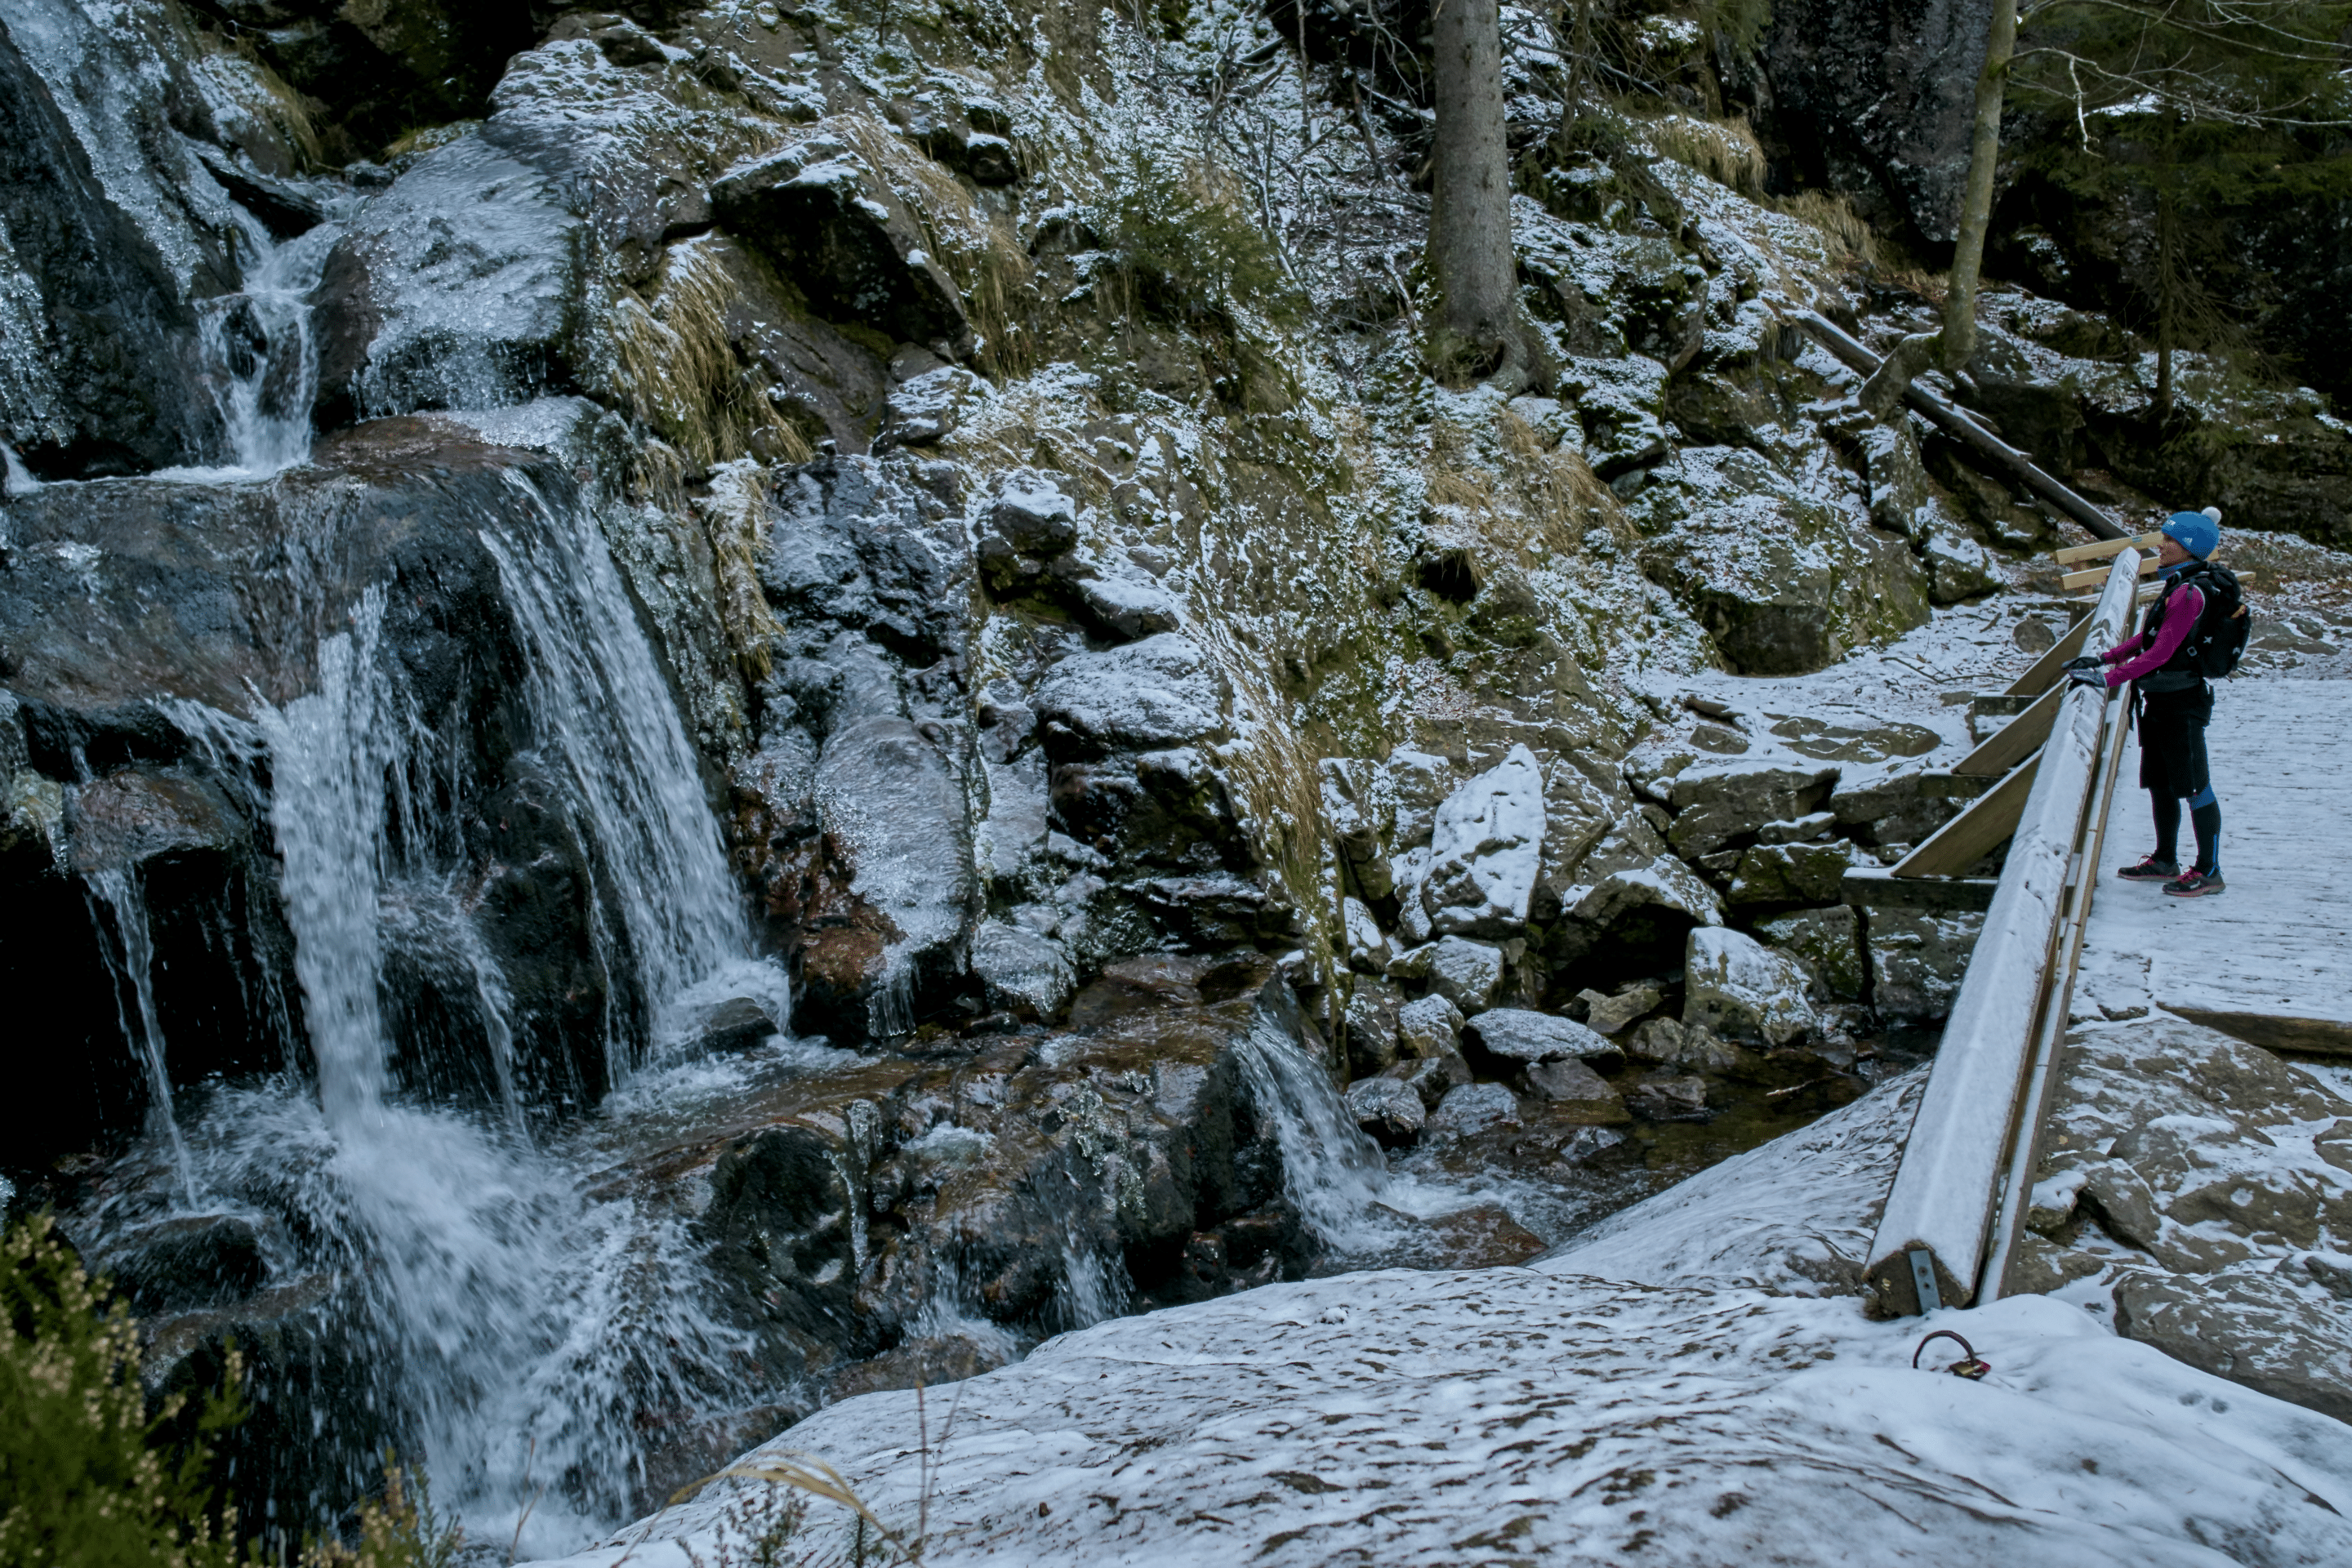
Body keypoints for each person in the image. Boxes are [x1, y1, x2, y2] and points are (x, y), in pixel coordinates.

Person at [2068, 507, 2227, 897]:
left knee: (2196, 787)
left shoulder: (2190, 593)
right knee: (2160, 783)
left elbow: (2159, 654)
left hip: (2182, 703)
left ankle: (2209, 870)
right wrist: (2105, 658)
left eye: (2171, 541)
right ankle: (2165, 858)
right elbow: (2150, 639)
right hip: (2158, 701)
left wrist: (2108, 679)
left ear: (2189, 549)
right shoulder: (2177, 584)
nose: (2163, 545)